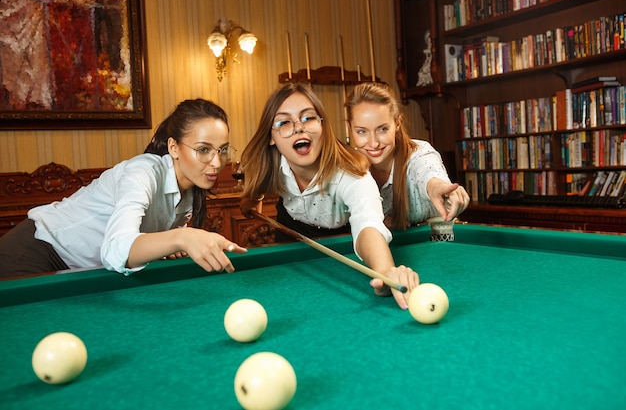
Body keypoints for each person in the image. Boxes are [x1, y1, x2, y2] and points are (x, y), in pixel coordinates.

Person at [0, 98, 247, 278]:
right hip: (34, 251)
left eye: (222, 150)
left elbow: (142, 243)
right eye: (203, 149)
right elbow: (115, 250)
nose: (216, 162)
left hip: (80, 270)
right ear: (173, 147)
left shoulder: (191, 191)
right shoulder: (141, 173)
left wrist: (170, 244)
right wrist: (182, 237)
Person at [240, 82, 419, 309]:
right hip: (290, 248)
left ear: (323, 125)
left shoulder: (352, 174)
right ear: (271, 137)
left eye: (308, 118)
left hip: (340, 249)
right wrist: (252, 201)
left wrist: (385, 272)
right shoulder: (271, 164)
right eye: (284, 122)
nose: (298, 128)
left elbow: (368, 224)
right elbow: (256, 187)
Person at [345, 82, 470, 230]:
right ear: (350, 128)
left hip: (440, 245)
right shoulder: (347, 168)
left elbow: (428, 172)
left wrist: (436, 186)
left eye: (383, 129)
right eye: (362, 131)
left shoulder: (419, 153)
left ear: (397, 123)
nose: (374, 143)